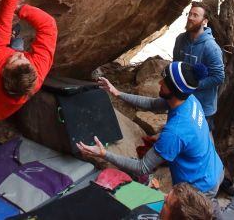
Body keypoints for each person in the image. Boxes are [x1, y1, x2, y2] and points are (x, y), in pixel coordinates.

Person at [77, 62, 224, 219]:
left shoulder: (175, 132)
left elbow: (142, 168)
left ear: (174, 90)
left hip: (200, 184)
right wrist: (117, 93)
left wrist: (104, 153)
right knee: (211, 209)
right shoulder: (188, 99)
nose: (159, 83)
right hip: (213, 169)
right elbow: (152, 104)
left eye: (164, 82)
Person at [172, 2, 225, 129]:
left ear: (204, 21)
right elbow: (175, 65)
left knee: (203, 139)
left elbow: (219, 77)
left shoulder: (211, 47)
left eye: (195, 15)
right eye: (189, 14)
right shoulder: (180, 40)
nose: (190, 17)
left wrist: (193, 85)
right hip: (182, 100)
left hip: (203, 106)